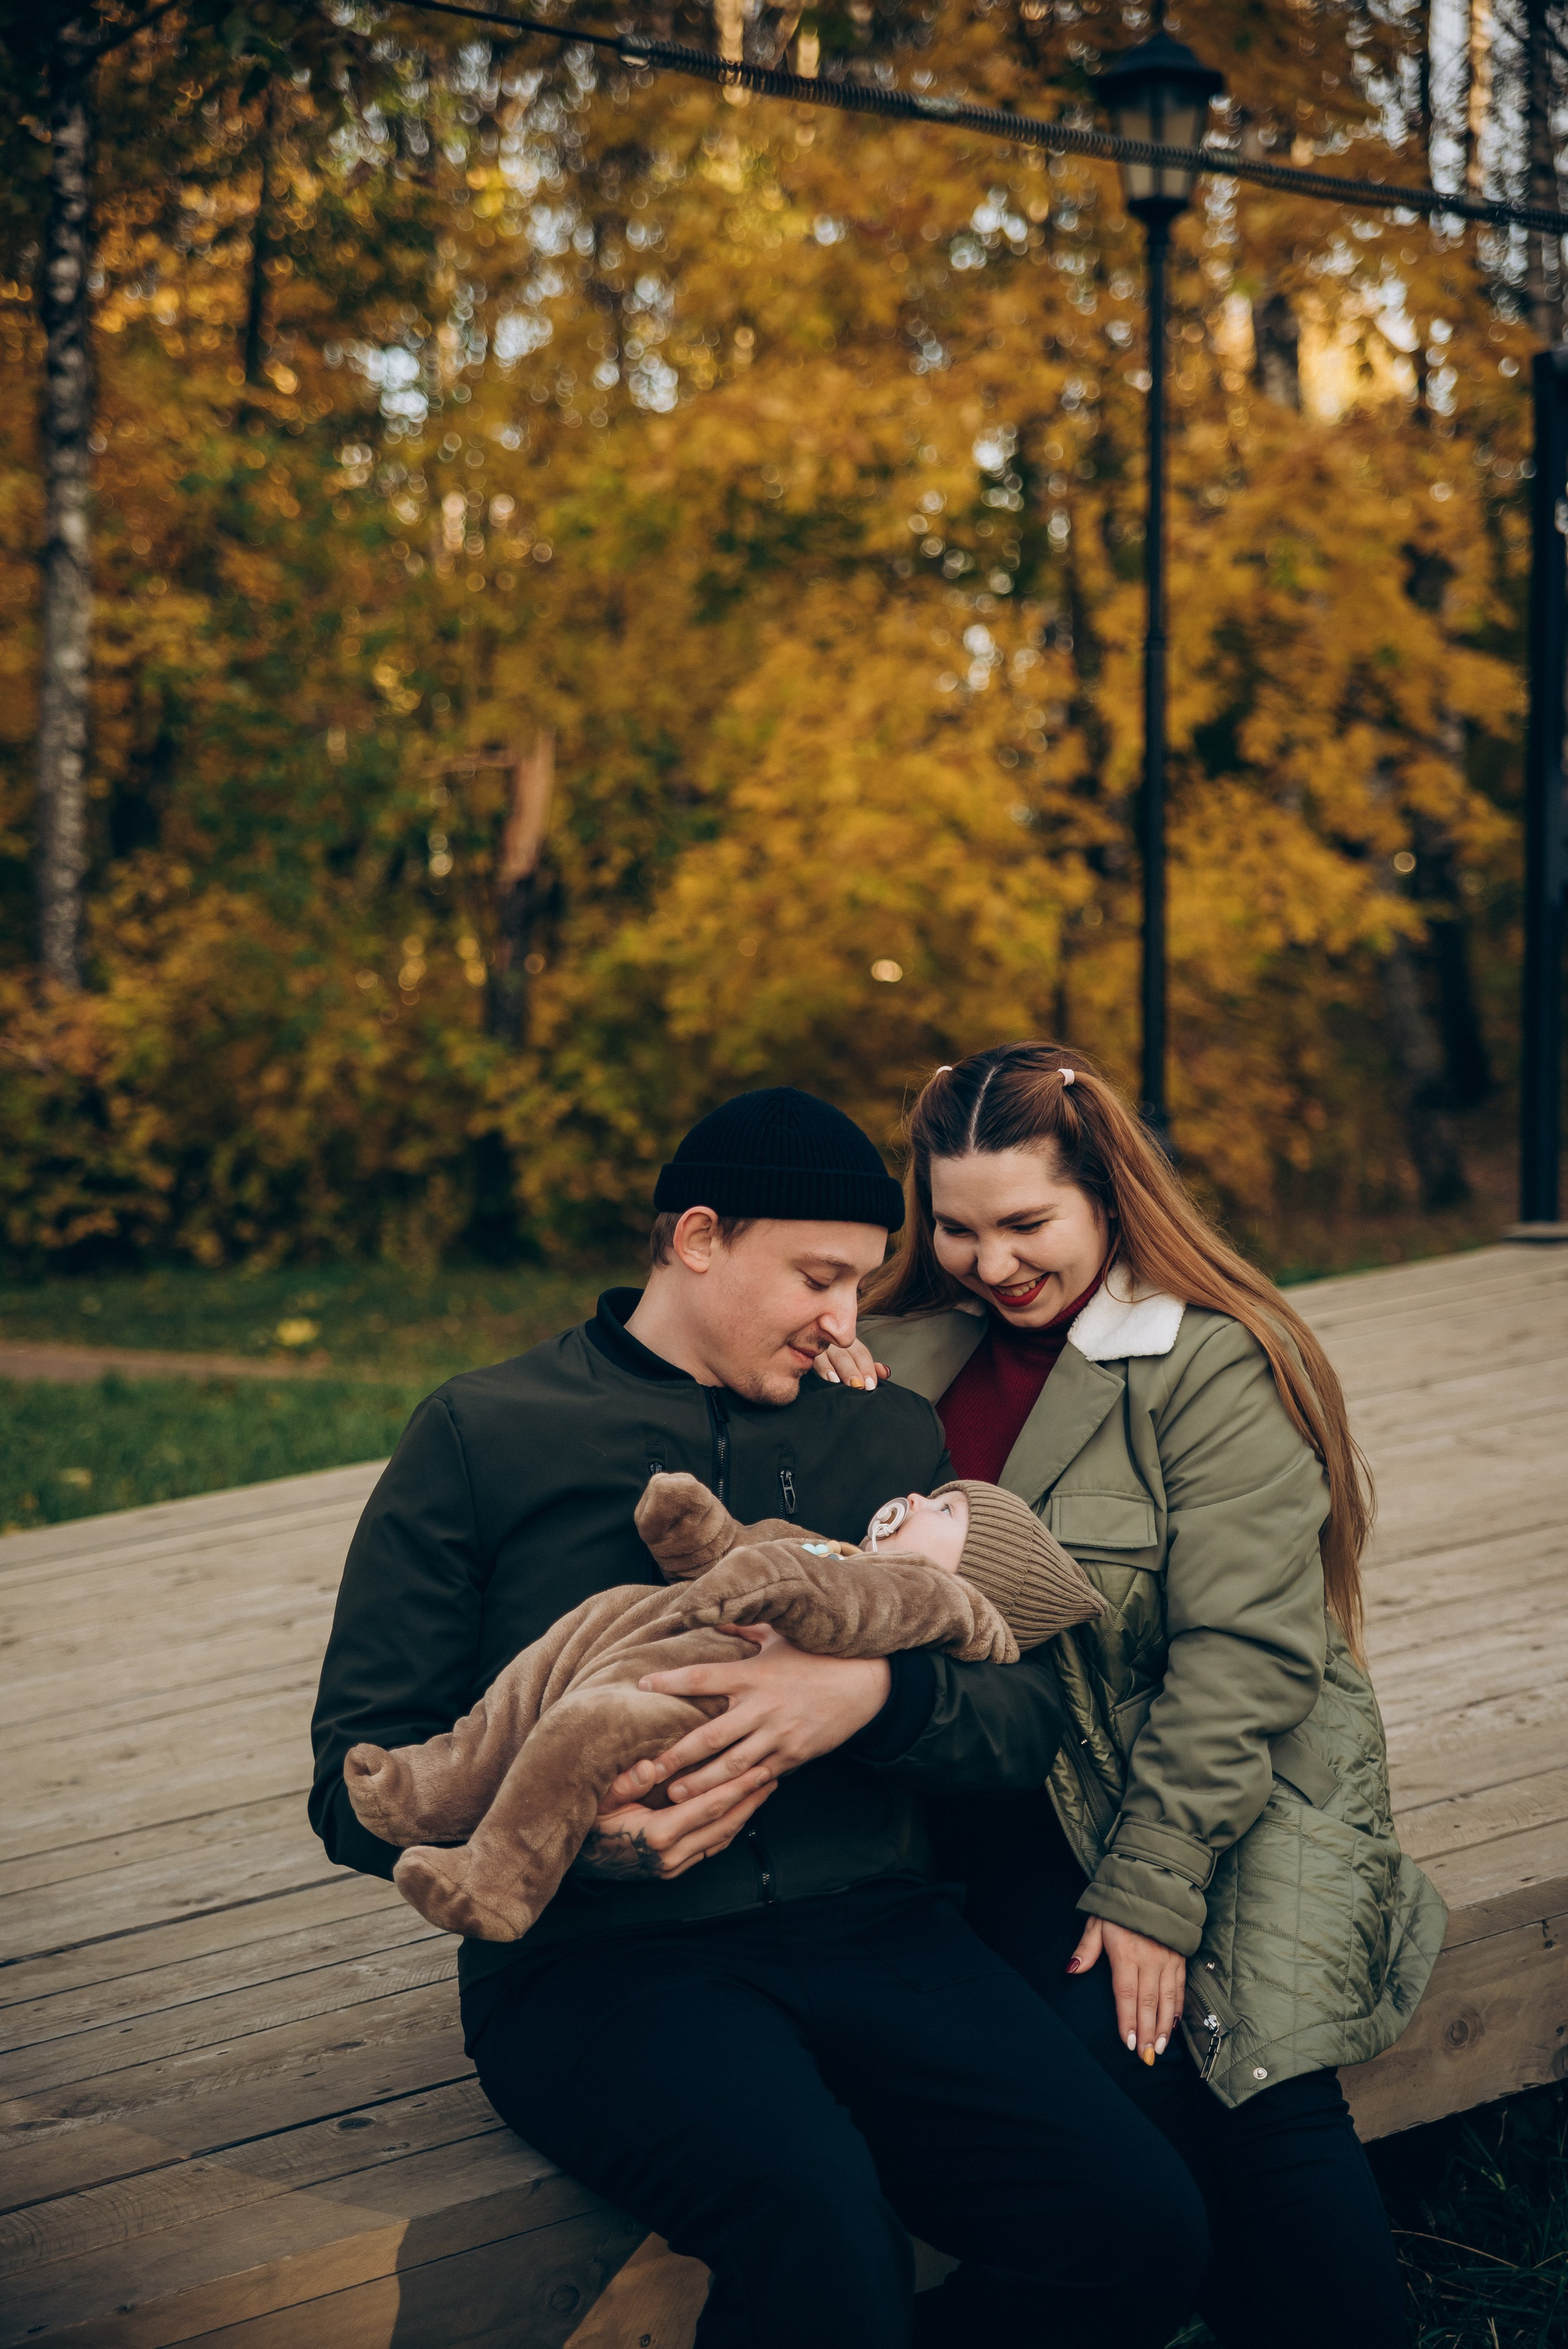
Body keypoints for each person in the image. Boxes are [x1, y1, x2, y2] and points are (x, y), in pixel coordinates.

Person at [309, 1084, 1208, 2349]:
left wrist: (868, 1697)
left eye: (859, 1283)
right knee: (820, 2229)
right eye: (816, 1280)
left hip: (881, 1933)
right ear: (695, 1240)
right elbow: (349, 1774)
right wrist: (583, 1832)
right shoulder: (482, 1431)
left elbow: (1021, 1724)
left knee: (1135, 2230)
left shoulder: (882, 1432)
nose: (843, 1320)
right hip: (603, 1969)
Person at [817, 1043, 1447, 2349]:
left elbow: (1244, 1659)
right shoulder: (892, 1359)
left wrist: (1151, 1886)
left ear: (1108, 1194)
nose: (990, 1263)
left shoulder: (1207, 1363)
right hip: (1008, 1794)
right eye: (956, 1227)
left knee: (1254, 2067)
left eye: (1025, 1223)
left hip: (1230, 1778)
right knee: (1107, 2072)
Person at [341, 1471, 1103, 1940]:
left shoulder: (932, 1596)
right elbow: (757, 1544)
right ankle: (432, 1789)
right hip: (646, 1633)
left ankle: (499, 1879)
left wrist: (757, 1580)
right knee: (541, 1673)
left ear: (972, 1572)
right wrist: (702, 1536)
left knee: (584, 1728)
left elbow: (824, 1596)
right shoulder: (844, 1550)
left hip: (705, 1695)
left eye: (944, 1511)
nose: (916, 1497)